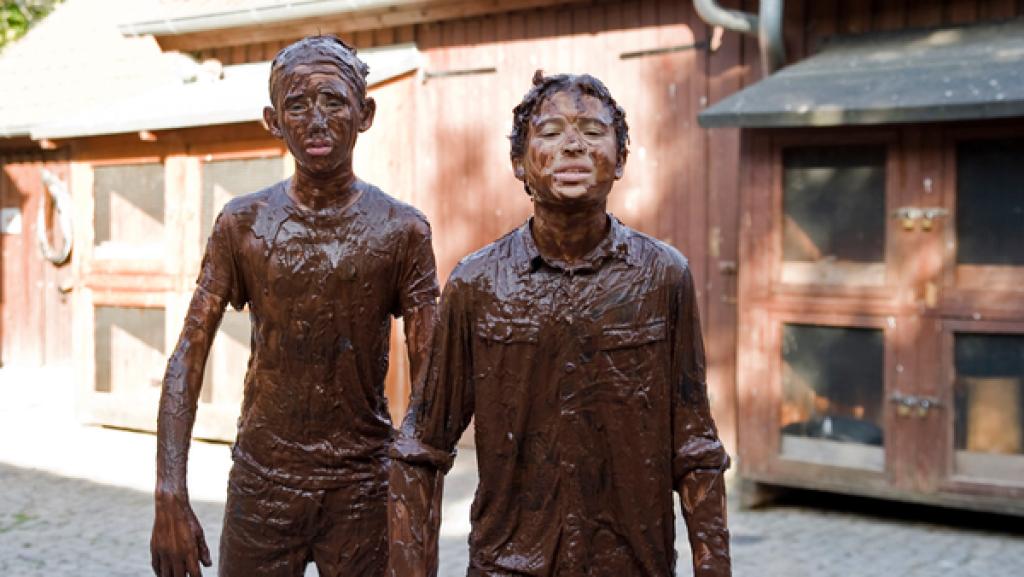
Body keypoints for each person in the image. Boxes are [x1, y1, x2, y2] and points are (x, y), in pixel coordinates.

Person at [389, 71, 732, 577]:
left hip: (632, 565)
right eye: (550, 133)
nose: (573, 145)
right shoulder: (477, 283)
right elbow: (421, 447)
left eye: (593, 133)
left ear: (621, 160)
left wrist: (714, 566)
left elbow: (695, 445)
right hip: (508, 565)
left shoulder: (664, 277)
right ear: (518, 163)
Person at [150, 35, 439, 577]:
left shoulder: (403, 231)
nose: (317, 120)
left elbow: (431, 382)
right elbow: (187, 355)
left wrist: (415, 504)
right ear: (273, 120)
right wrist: (169, 491)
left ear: (365, 113)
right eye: (297, 105)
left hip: (362, 484)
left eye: (334, 101)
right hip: (264, 480)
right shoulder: (243, 224)